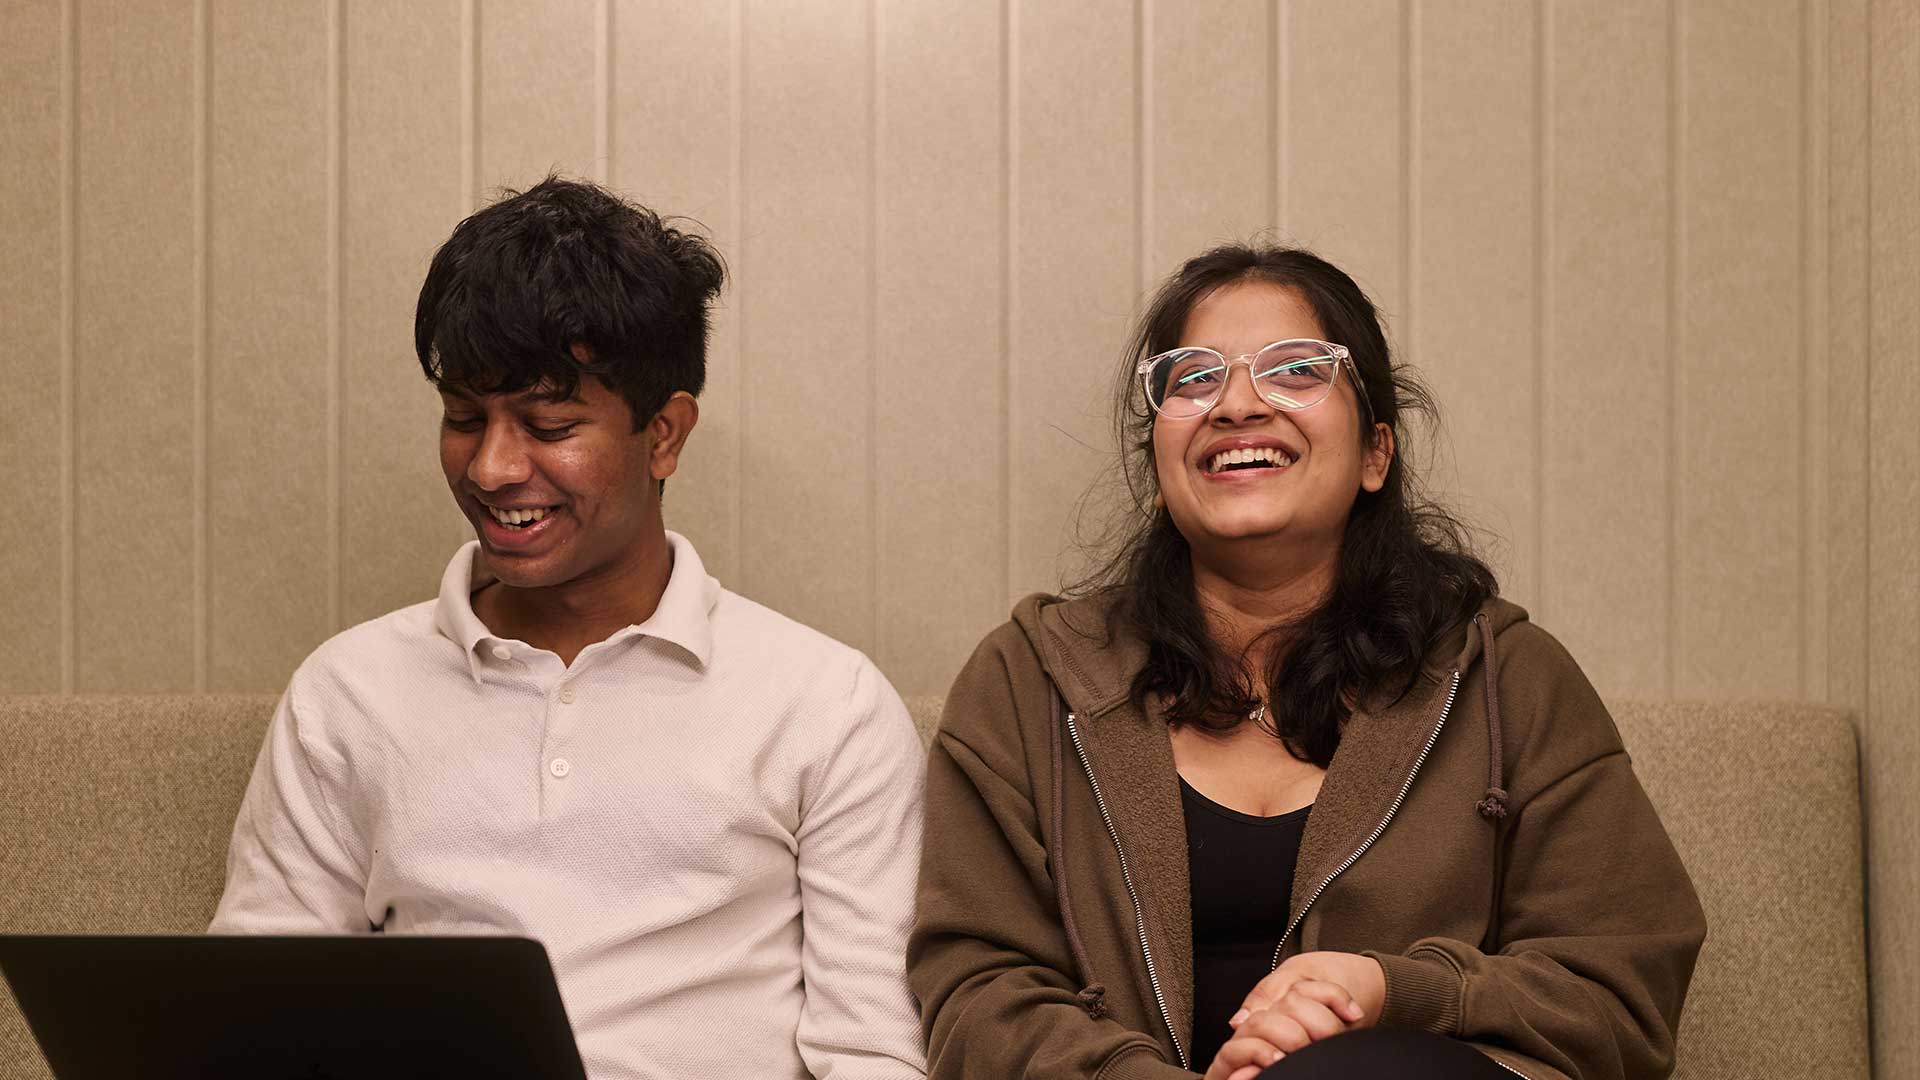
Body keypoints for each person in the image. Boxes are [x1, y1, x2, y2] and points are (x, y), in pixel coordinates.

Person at [909, 244, 1705, 1080]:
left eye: (1295, 371)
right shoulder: (1028, 682)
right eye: (1193, 379)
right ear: (1157, 471)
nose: (1238, 404)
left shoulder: (1508, 678)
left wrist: (1393, 993)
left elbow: (1622, 990)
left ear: (1376, 453)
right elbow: (974, 991)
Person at [212, 177, 928, 1080]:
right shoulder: (348, 691)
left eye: (549, 425)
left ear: (664, 435)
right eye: (463, 418)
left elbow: (872, 1052)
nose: (493, 467)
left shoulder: (825, 704)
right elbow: (250, 1016)